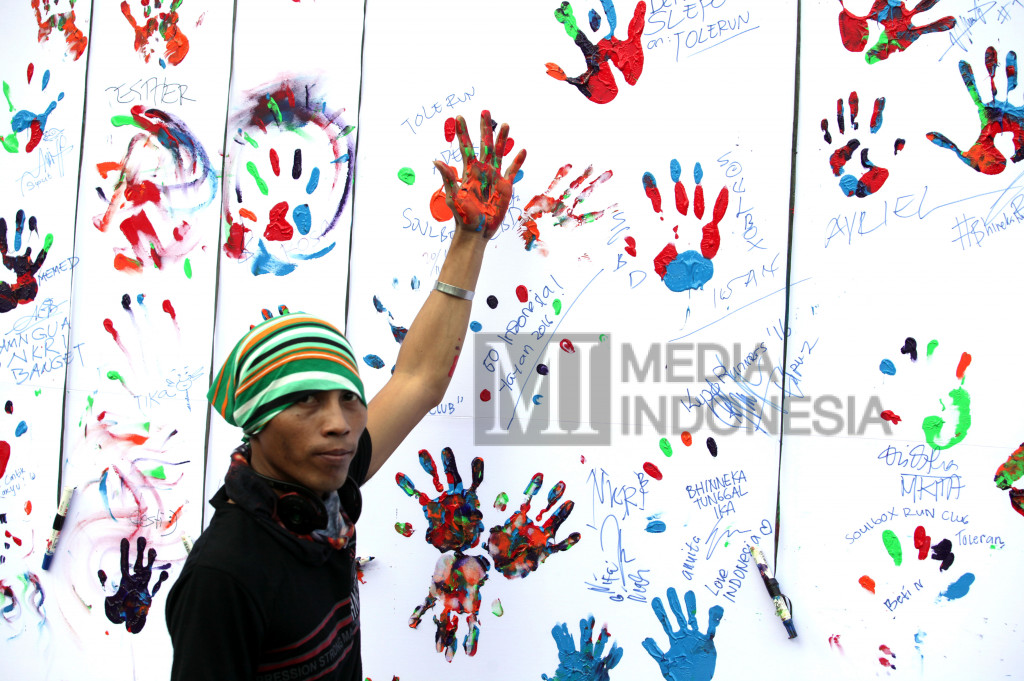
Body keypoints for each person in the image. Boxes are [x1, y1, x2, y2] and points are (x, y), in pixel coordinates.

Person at [165, 111, 526, 681]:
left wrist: (469, 239)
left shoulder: (325, 496)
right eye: (306, 400)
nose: (339, 424)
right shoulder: (226, 576)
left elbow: (418, 379)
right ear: (256, 423)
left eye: (348, 399)